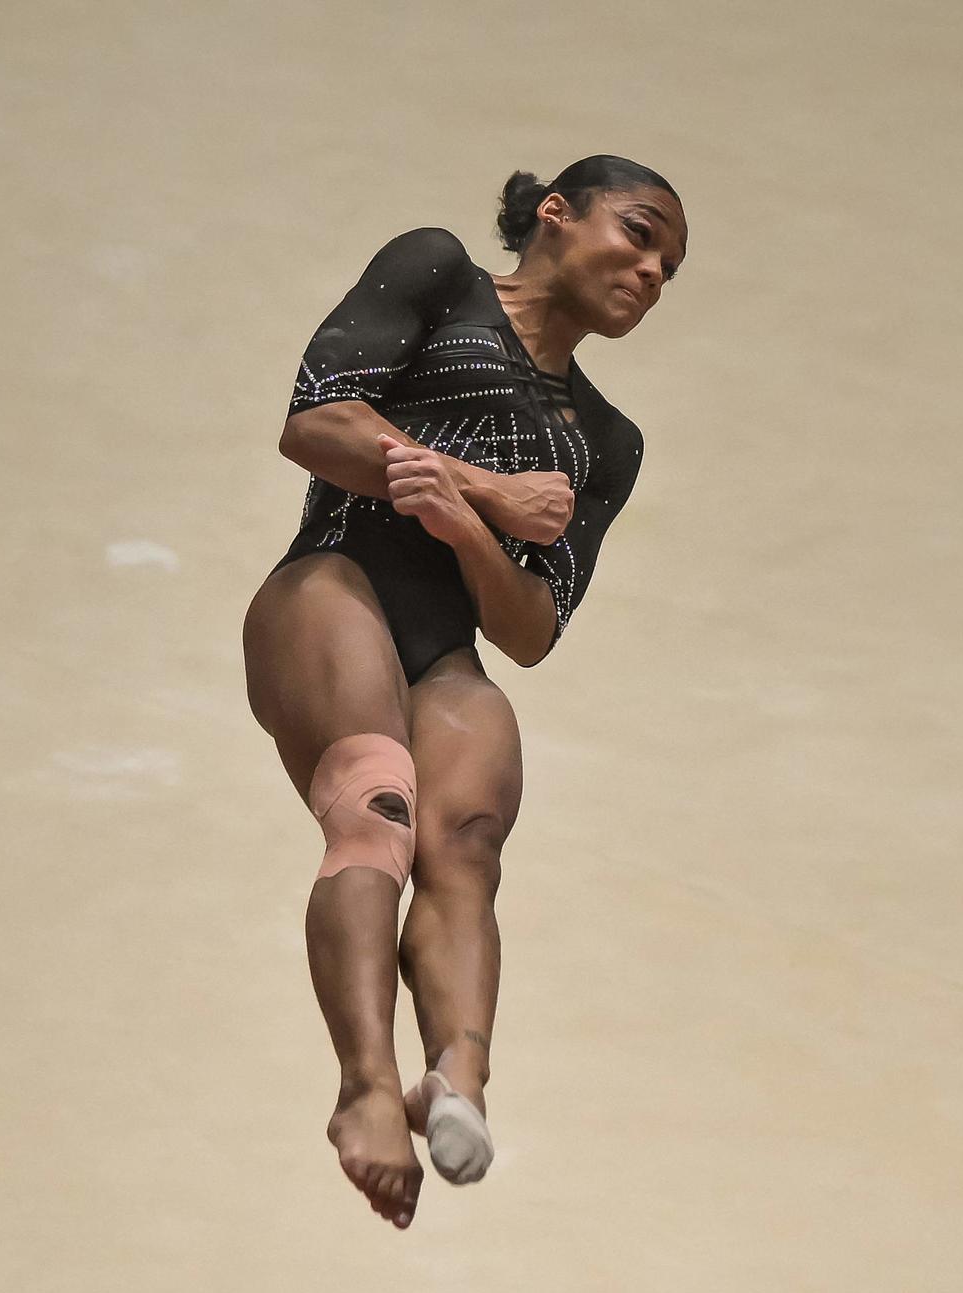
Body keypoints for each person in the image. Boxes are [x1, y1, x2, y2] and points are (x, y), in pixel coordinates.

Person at [243, 155, 687, 1228]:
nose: (651, 270)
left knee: (468, 848)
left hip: (450, 651)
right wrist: (481, 489)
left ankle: (457, 1080)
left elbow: (529, 627)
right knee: (375, 806)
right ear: (554, 213)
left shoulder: (605, 443)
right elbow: (314, 421)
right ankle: (362, 1088)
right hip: (333, 583)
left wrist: (462, 528)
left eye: (669, 267)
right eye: (638, 233)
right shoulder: (439, 275)